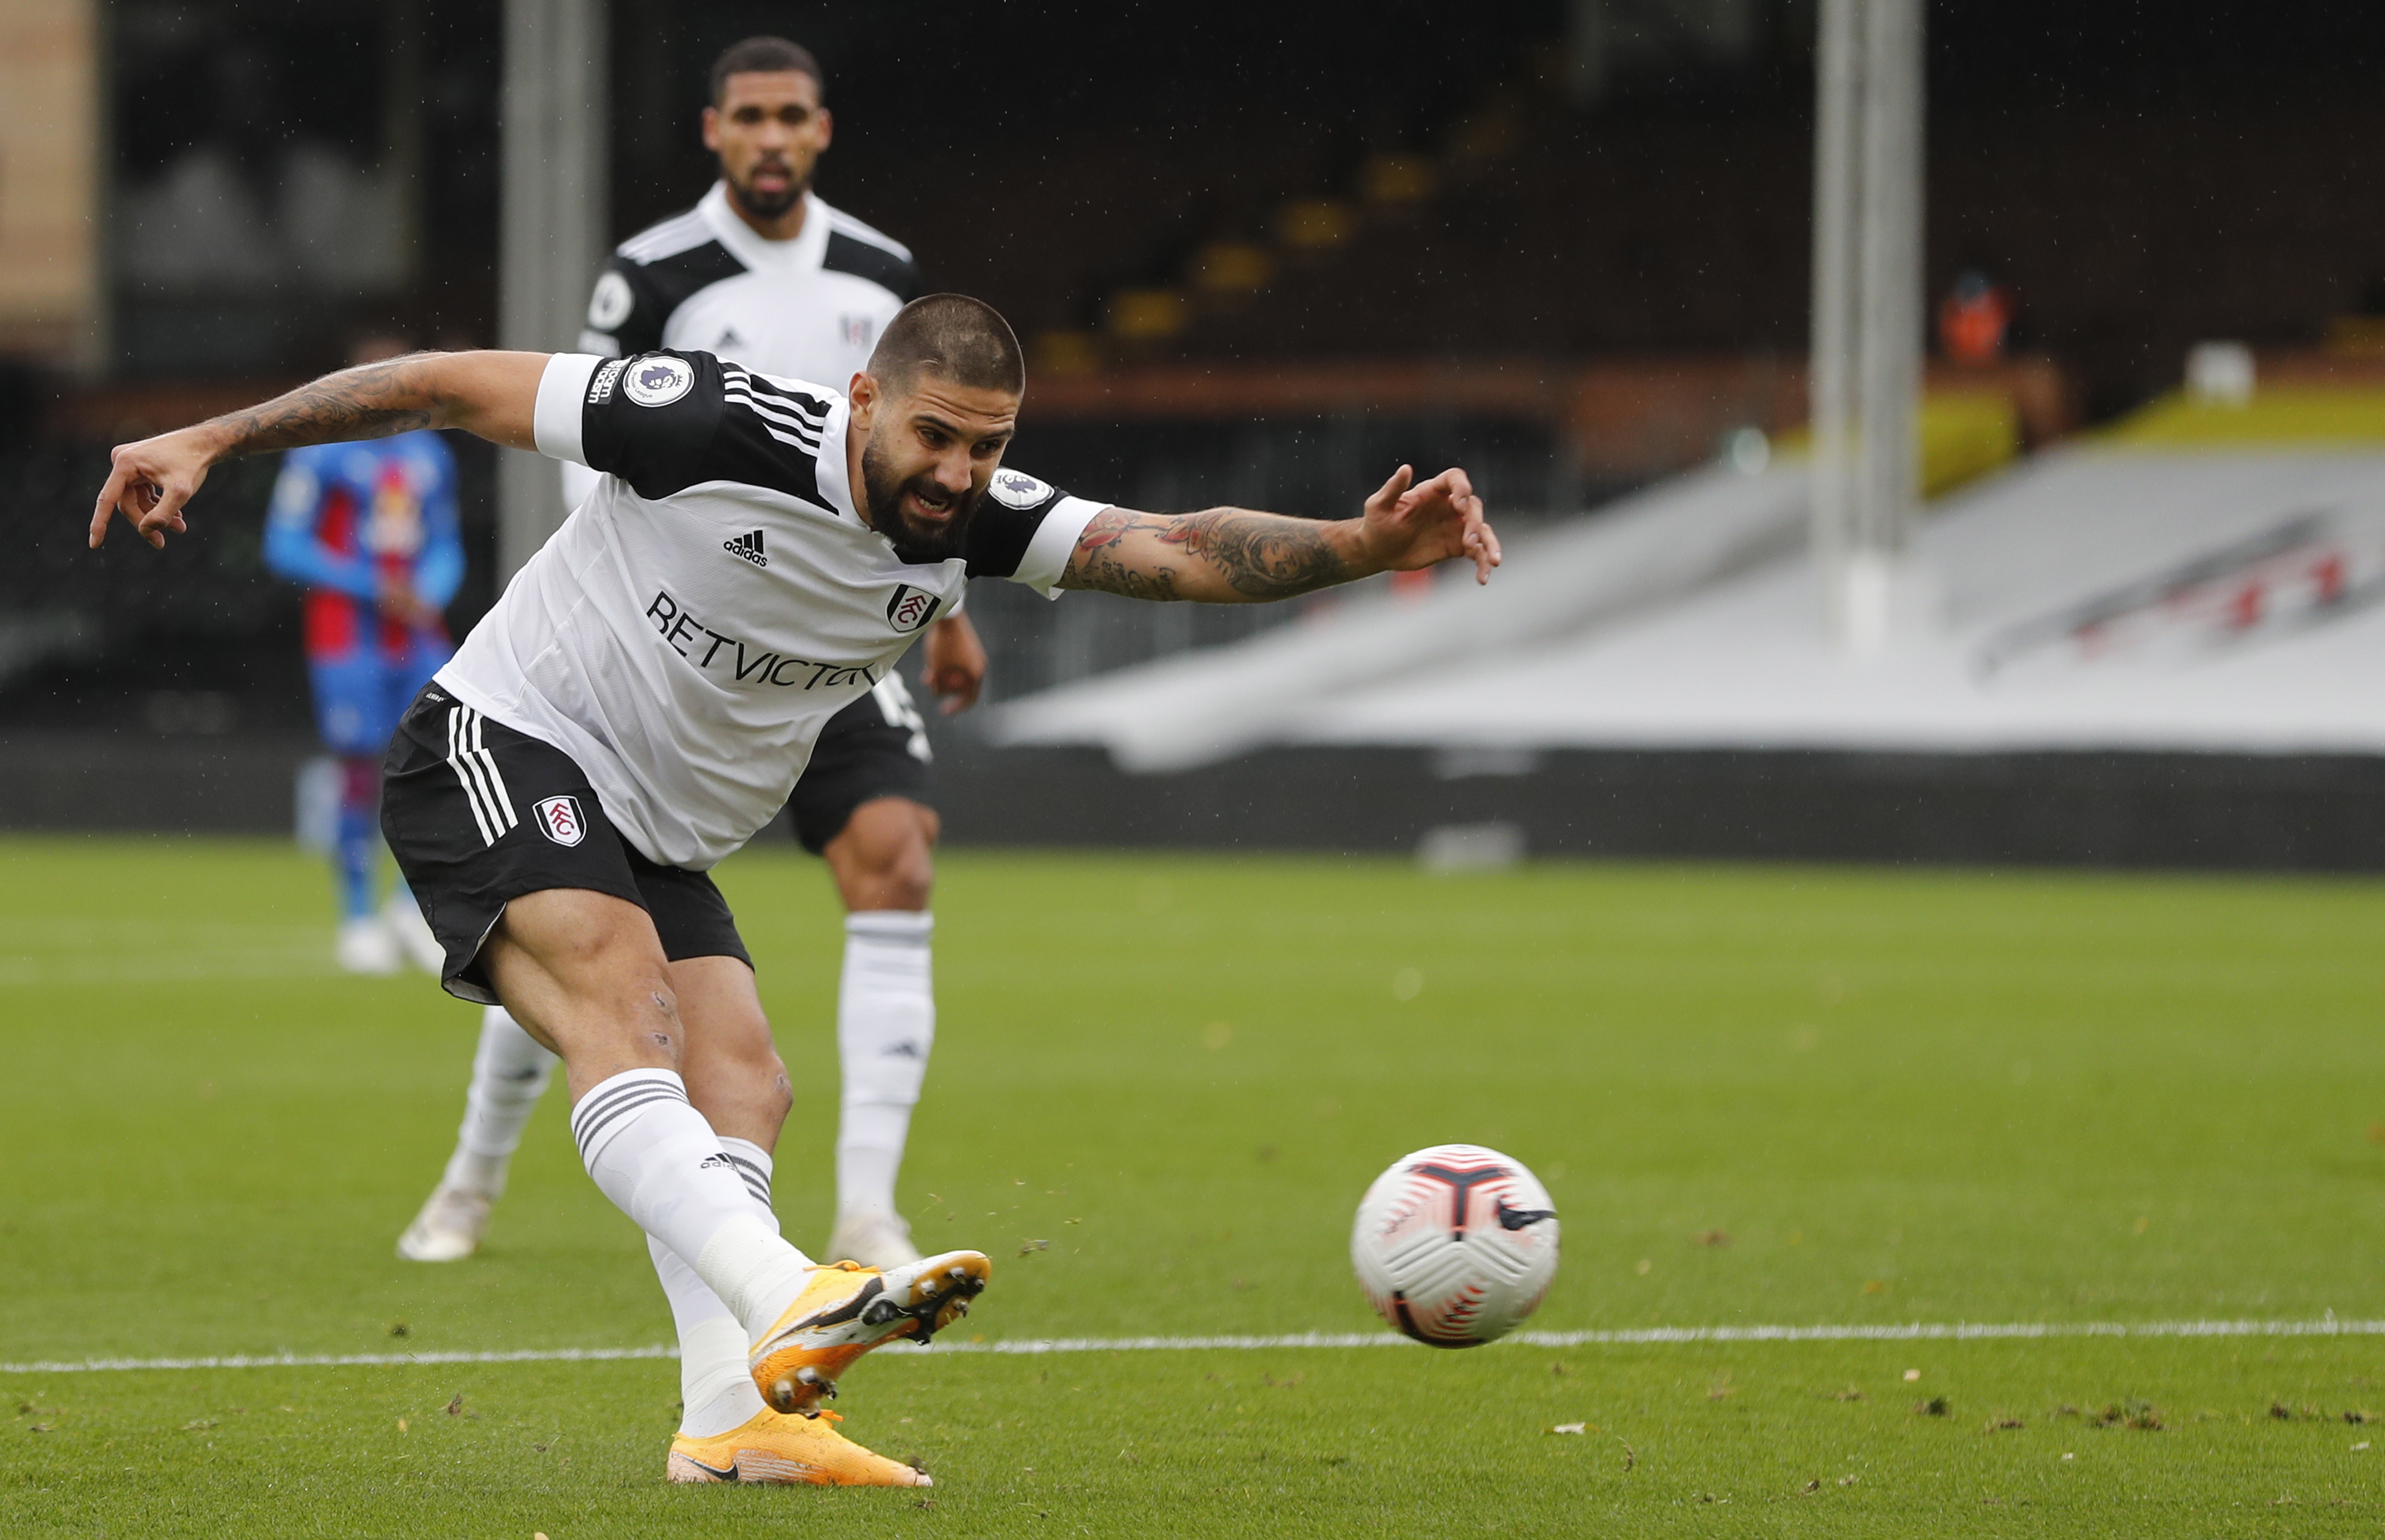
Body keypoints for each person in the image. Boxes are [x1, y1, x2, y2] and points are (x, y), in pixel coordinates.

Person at [90, 293, 1500, 1488]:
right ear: (863, 398)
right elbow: (453, 384)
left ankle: (730, 1420)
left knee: (745, 1086)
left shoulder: (972, 524)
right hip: (502, 738)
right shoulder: (706, 423)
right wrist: (214, 437)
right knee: (627, 1015)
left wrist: (1363, 546)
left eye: (988, 446)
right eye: (933, 435)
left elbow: (1180, 549)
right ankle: (789, 1293)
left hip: (655, 829)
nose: (956, 471)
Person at [397, 35, 980, 1273]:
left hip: (833, 643)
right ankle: (473, 1172)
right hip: (676, 637)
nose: (772, 137)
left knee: (897, 857)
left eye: (792, 117)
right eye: (749, 116)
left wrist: (951, 616)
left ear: (822, 131)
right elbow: (594, 434)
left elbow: (930, 476)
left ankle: (867, 1209)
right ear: (713, 131)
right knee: (590, 923)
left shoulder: (884, 273)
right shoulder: (654, 272)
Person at [263, 332, 461, 974]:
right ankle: (356, 918)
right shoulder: (321, 455)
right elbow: (283, 545)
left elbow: (446, 545)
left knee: (445, 761)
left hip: (419, 636)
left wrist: (429, 590)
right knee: (357, 772)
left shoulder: (430, 454)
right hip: (347, 638)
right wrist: (371, 585)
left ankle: (409, 907)